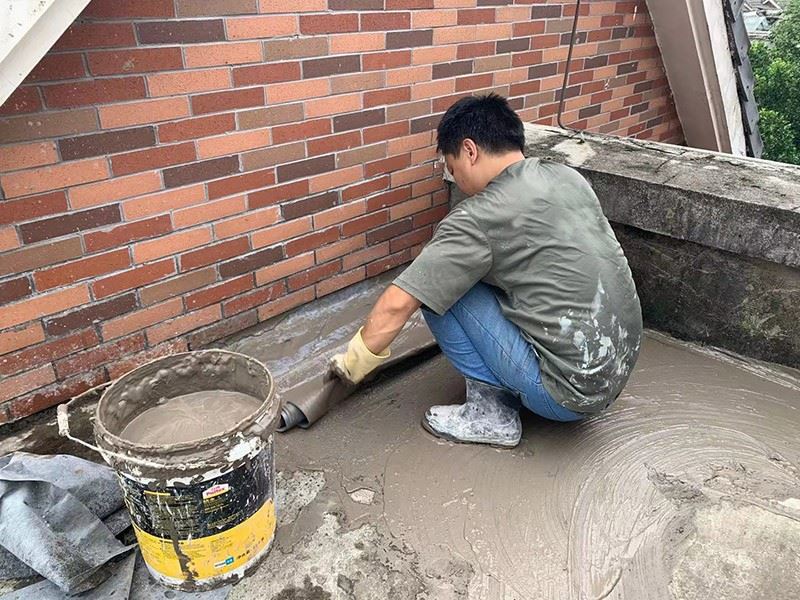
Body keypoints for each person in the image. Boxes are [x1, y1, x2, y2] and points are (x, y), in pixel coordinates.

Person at [331, 94, 642, 448]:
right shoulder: (565, 177)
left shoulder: (479, 217)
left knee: (436, 293)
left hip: (566, 397)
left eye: (452, 169)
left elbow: (398, 303)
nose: (456, 180)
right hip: (615, 369)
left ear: (469, 150)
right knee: (467, 275)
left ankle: (491, 417)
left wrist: (351, 366)